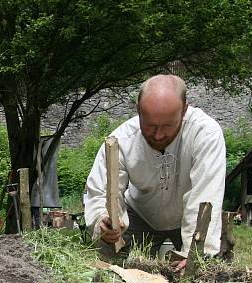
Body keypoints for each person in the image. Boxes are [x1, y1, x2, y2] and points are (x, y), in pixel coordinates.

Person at [84, 75, 226, 271]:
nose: (158, 135)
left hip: (187, 216)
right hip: (139, 216)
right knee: (110, 260)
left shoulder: (206, 134)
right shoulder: (121, 140)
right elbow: (100, 192)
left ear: (184, 110)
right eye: (150, 126)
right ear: (138, 111)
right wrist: (103, 220)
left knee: (200, 271)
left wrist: (195, 254)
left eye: (167, 126)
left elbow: (206, 196)